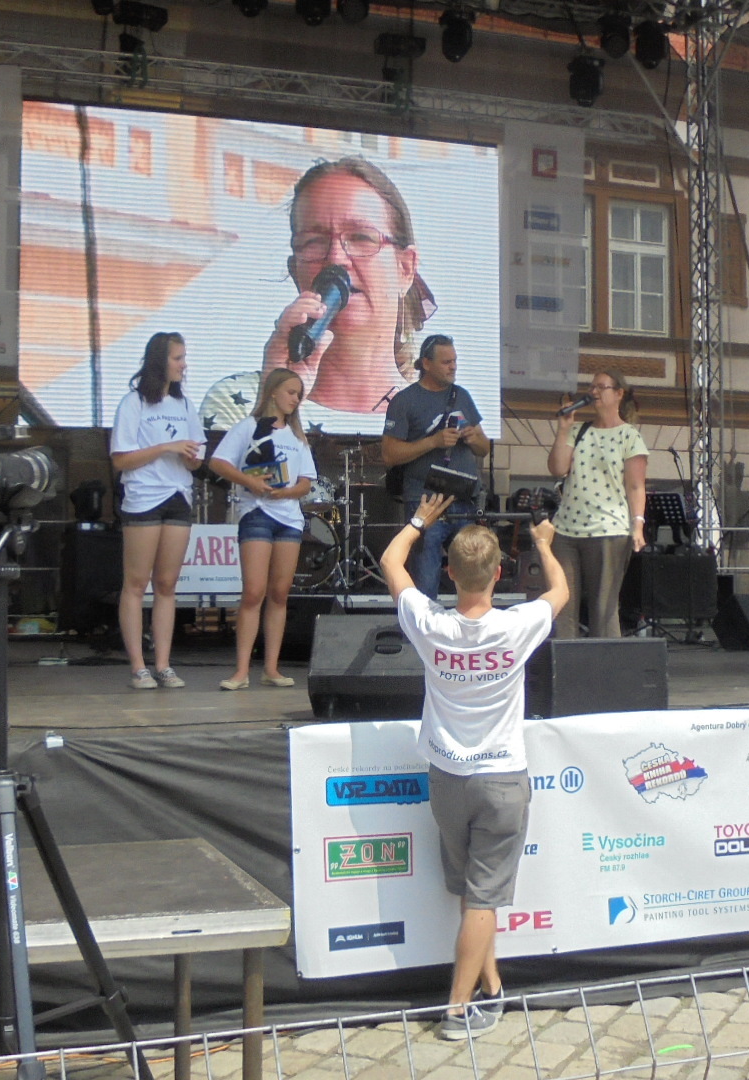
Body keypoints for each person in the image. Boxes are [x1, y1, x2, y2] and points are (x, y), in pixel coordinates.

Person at [380, 493, 570, 1041]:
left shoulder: (428, 623)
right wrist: (543, 545)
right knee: (483, 897)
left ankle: (492, 986)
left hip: (448, 780)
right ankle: (458, 1009)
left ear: (449, 572)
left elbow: (391, 561)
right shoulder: (516, 625)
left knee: (473, 892)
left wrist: (419, 521)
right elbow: (561, 591)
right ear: (499, 573)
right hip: (503, 777)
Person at [262, 157, 437, 414]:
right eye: (313, 241)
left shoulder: (440, 418)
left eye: (361, 237)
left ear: (405, 268)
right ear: (296, 272)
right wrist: (274, 401)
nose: (336, 259)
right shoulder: (238, 402)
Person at [206, 369, 316, 691]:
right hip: (256, 513)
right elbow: (218, 462)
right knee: (254, 591)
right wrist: (250, 482)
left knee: (279, 594)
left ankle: (271, 668)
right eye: (291, 392)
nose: (295, 399)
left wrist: (288, 492)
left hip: (289, 518)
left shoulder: (297, 437)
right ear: (272, 392)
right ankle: (241, 671)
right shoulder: (248, 427)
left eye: (299, 394)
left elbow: (306, 482)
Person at [110, 332, 205, 690]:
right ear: (159, 361)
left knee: (167, 584)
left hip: (178, 495)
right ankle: (138, 666)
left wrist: (190, 457)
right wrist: (167, 447)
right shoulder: (133, 403)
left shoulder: (185, 405)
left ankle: (163, 664)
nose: (184, 365)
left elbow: (197, 459)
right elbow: (121, 459)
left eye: (184, 358)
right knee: (136, 583)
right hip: (144, 496)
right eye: (178, 358)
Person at [381, 335, 491, 597]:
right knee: (426, 578)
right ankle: (424, 622)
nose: (453, 367)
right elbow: (389, 454)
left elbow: (484, 448)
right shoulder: (405, 400)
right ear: (426, 364)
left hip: (464, 499)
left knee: (474, 575)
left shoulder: (461, 396)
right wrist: (433, 442)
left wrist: (474, 438)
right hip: (425, 502)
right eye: (446, 362)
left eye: (454, 361)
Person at [547, 372, 649, 638]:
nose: (593, 392)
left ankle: (606, 662)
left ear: (618, 393)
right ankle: (566, 660)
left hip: (609, 530)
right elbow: (557, 468)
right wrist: (563, 429)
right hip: (567, 530)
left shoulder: (629, 436)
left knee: (603, 609)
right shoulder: (579, 431)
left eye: (601, 387)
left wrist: (638, 525)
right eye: (591, 387)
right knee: (563, 605)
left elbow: (636, 486)